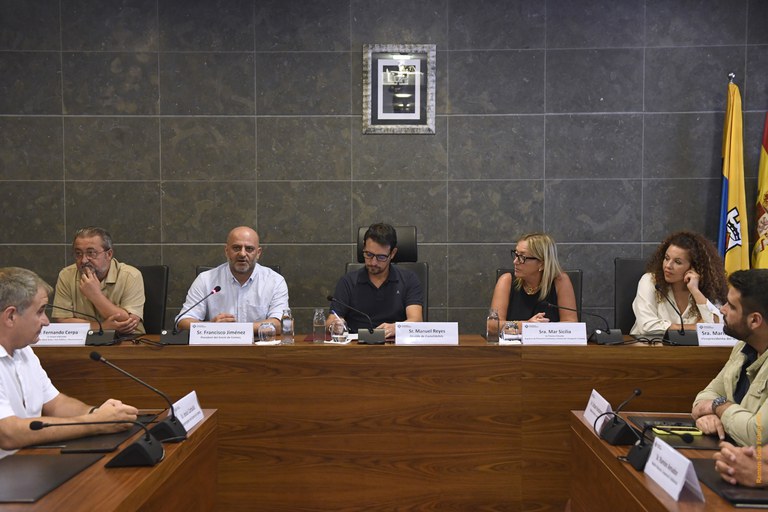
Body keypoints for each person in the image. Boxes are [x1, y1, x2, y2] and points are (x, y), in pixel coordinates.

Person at [0, 267, 138, 459]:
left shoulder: (24, 351)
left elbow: (56, 403)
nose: (46, 321)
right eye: (40, 311)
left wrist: (99, 413)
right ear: (10, 316)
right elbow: (7, 434)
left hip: (25, 462)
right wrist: (94, 423)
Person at [691, 269, 768, 446]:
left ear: (755, 321)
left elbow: (755, 435)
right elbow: (704, 398)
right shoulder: (743, 347)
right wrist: (711, 416)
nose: (722, 309)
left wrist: (718, 406)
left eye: (732, 306)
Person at [176, 226, 289, 334]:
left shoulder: (275, 281)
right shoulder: (205, 280)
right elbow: (182, 321)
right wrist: (211, 326)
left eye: (249, 249)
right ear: (226, 251)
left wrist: (234, 330)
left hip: (259, 345)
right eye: (236, 248)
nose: (242, 254)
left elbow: (280, 324)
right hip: (218, 346)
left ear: (258, 253)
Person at [329, 223, 423, 338]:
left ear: (392, 253)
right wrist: (335, 325)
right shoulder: (348, 281)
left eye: (381, 257)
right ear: (364, 247)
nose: (373, 262)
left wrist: (395, 328)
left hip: (394, 343)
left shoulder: (409, 279)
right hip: (357, 344)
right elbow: (332, 319)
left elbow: (416, 320)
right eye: (369, 254)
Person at [52, 227, 145, 335]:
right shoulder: (66, 275)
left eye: (91, 253)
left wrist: (95, 296)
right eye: (78, 253)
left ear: (108, 254)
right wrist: (102, 327)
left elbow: (129, 322)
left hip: (127, 341)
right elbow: (62, 321)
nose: (83, 260)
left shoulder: (131, 275)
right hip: (83, 341)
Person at [631, 231, 727, 336]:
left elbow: (718, 327)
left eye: (677, 262)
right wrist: (695, 327)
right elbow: (646, 327)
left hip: (690, 347)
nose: (668, 265)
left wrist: (695, 291)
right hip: (648, 345)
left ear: (694, 267)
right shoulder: (650, 281)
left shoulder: (708, 288)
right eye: (666, 258)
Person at [488, 232, 577, 335]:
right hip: (514, 345)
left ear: (542, 263)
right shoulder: (506, 280)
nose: (515, 261)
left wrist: (540, 329)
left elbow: (572, 324)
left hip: (549, 345)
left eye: (522, 257)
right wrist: (526, 325)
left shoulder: (560, 281)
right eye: (516, 254)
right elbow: (492, 325)